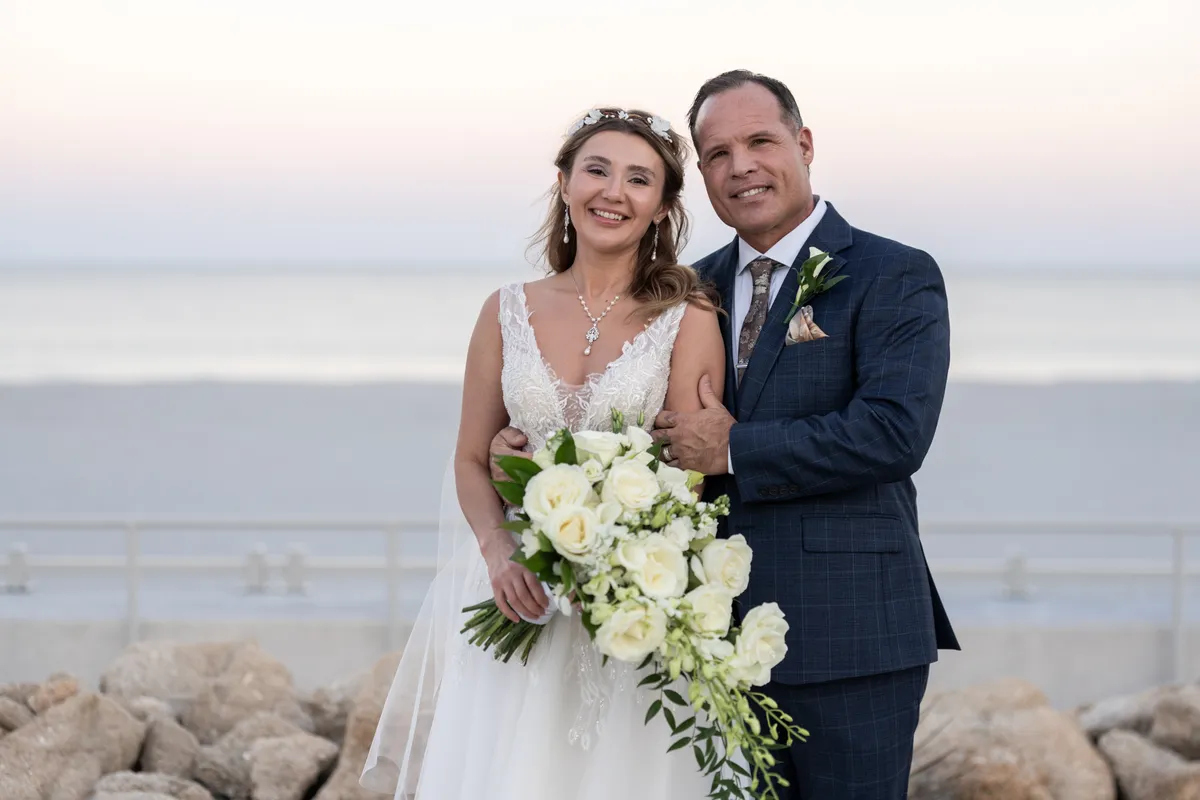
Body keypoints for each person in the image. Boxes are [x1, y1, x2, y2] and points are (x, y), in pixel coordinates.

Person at [491, 70, 961, 799]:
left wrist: (734, 449)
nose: (740, 165)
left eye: (760, 141)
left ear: (803, 145)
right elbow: (641, 439)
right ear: (702, 177)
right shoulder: (683, 292)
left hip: (852, 633)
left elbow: (894, 432)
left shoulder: (892, 273)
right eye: (717, 153)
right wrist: (533, 459)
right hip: (700, 638)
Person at [360, 106, 726, 799]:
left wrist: (609, 556)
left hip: (628, 601)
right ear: (564, 183)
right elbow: (471, 459)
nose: (613, 192)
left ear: (662, 207)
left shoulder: (690, 316)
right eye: (597, 169)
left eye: (639, 179)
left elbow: (691, 473)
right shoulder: (505, 310)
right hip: (514, 595)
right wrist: (500, 552)